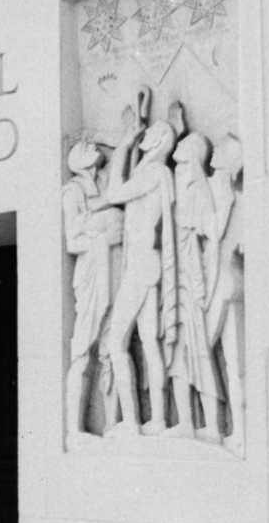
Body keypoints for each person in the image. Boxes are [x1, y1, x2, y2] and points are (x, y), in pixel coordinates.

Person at [101, 113, 178, 434]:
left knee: (115, 342)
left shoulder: (156, 171)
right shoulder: (152, 171)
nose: (146, 134)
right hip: (147, 265)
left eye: (153, 132)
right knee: (148, 342)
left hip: (141, 266)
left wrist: (123, 147)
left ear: (159, 142)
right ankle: (156, 420)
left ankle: (132, 421)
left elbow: (113, 194)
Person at [63, 139, 123, 438]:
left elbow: (122, 146)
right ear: (80, 160)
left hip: (113, 268)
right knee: (83, 350)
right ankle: (74, 430)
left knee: (111, 349)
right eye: (87, 146)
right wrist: (104, 237)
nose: (94, 146)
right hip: (92, 272)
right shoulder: (73, 191)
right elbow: (72, 241)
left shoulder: (104, 181)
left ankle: (111, 424)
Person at [166, 131, 218, 439]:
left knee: (197, 352)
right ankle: (185, 423)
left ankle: (211, 425)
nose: (179, 144)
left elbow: (209, 232)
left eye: (184, 143)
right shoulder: (179, 179)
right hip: (175, 279)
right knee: (177, 355)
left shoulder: (197, 186)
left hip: (190, 277)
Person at [203, 134, 245, 449]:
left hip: (228, 286)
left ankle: (236, 428)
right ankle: (222, 426)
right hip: (214, 285)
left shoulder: (235, 195)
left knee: (232, 359)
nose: (215, 149)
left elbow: (219, 232)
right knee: (225, 358)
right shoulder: (215, 186)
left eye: (224, 148)